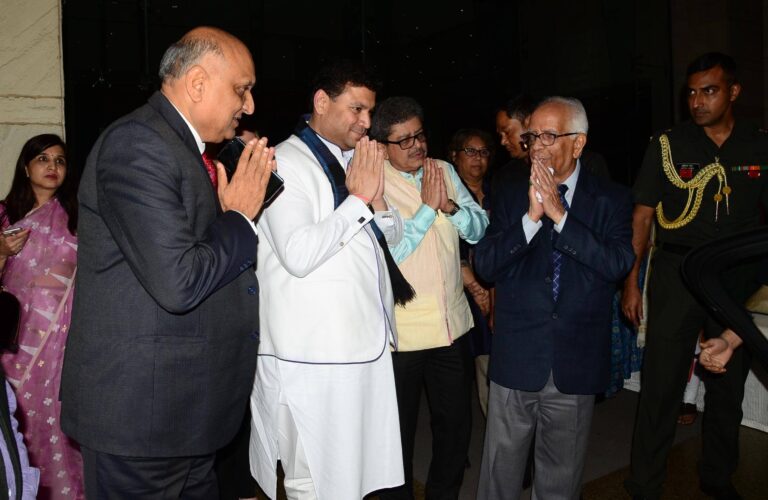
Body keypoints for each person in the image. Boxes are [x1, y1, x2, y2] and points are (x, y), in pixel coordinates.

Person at [60, 27, 275, 498]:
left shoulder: (181, 148)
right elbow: (179, 281)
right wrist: (238, 216)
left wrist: (226, 215)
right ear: (197, 83)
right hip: (143, 421)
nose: (250, 105)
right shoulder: (138, 144)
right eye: (242, 89)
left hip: (183, 416)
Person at [249, 60, 404, 500]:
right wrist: (358, 199)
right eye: (357, 109)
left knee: (352, 478)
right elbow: (298, 255)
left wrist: (375, 202)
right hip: (311, 357)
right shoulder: (283, 162)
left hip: (358, 347)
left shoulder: (354, 159)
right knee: (312, 480)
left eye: (370, 112)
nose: (367, 122)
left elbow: (386, 236)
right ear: (321, 102)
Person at [622, 52, 768, 500]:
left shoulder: (759, 145)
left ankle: (717, 477)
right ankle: (644, 484)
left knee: (729, 383)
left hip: (735, 277)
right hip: (677, 271)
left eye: (710, 91)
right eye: (692, 92)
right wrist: (631, 280)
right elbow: (642, 218)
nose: (698, 101)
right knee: (661, 383)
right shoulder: (668, 145)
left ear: (733, 92)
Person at [474, 97, 634, 500]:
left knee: (560, 483)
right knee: (499, 478)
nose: (537, 146)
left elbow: (617, 263)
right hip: (516, 359)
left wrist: (560, 215)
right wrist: (530, 219)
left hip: (575, 362)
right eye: (531, 137)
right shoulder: (510, 192)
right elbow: (486, 265)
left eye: (549, 135)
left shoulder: (610, 199)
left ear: (578, 143)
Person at [369, 98, 488, 500]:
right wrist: (426, 210)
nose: (417, 145)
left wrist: (450, 206)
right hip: (402, 336)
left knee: (455, 430)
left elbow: (479, 230)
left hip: (452, 327)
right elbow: (392, 254)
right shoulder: (373, 182)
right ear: (383, 145)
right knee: (396, 436)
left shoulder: (445, 171)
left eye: (419, 134)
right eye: (404, 140)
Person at [0, 134, 80, 498]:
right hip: (15, 344)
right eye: (43, 159)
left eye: (60, 161)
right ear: (25, 166)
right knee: (18, 422)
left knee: (59, 423)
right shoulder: (4, 215)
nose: (52, 167)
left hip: (63, 345)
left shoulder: (79, 217)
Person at [447, 128, 495, 417]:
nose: (478, 158)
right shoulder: (449, 194)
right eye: (470, 151)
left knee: (492, 364)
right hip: (460, 291)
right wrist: (477, 290)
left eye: (483, 152)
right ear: (454, 156)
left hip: (494, 287)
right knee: (461, 370)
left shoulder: (497, 192)